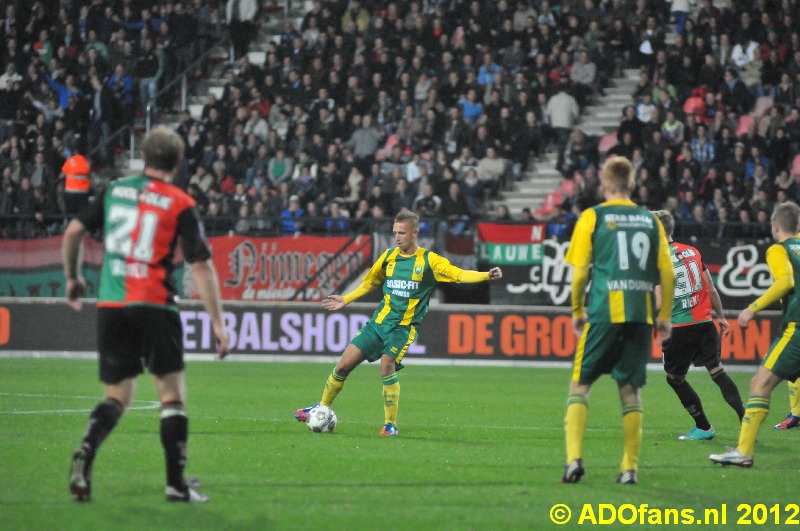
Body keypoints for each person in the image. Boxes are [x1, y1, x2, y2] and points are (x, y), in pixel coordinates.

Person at [62, 126, 229, 503]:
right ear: (178, 162)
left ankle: (88, 448)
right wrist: (217, 322)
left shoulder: (114, 191)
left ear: (143, 156)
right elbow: (200, 266)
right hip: (154, 302)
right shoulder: (180, 202)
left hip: (111, 303)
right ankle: (175, 484)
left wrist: (73, 278)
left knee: (117, 394)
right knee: (171, 396)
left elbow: (73, 231)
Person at [294, 210, 503, 435]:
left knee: (387, 366)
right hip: (378, 324)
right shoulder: (388, 257)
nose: (397, 237)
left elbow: (458, 274)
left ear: (415, 233)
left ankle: (390, 425)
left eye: (401, 233)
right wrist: (346, 299)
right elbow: (370, 282)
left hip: (402, 329)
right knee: (343, 365)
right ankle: (322, 407)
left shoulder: (429, 261)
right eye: (395, 232)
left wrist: (485, 275)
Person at [562, 156, 675, 485]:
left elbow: (580, 270)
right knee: (630, 392)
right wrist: (664, 315)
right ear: (632, 184)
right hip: (640, 315)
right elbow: (666, 272)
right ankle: (629, 469)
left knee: (580, 386)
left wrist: (576, 310)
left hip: (603, 313)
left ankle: (573, 462)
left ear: (604, 183)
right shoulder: (649, 220)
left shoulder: (593, 216)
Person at [710, 202, 800, 467]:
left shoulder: (778, 249)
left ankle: (744, 452)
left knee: (759, 384)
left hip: (797, 328)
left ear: (775, 226)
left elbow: (785, 282)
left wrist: (752, 308)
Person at [652, 210, 744, 440]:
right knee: (717, 371)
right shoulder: (693, 251)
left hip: (680, 327)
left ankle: (703, 427)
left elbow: (660, 297)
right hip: (704, 323)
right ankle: (747, 421)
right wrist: (721, 317)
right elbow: (711, 288)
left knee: (675, 378)